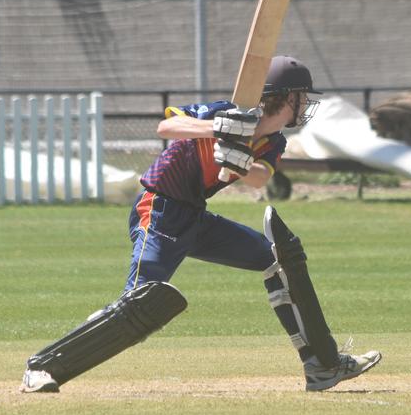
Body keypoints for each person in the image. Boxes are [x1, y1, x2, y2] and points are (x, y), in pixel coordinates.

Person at [19, 55, 381, 393]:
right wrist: (216, 128)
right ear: (284, 98)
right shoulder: (225, 111)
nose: (305, 104)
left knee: (277, 258)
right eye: (301, 96)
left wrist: (238, 159)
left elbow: (258, 178)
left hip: (195, 216)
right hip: (159, 209)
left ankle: (321, 365)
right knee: (140, 303)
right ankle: (43, 367)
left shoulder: (274, 140)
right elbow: (168, 126)